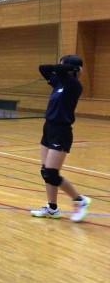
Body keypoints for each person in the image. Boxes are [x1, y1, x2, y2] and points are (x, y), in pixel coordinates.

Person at [30, 55, 91, 222]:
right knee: (45, 172)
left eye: (62, 64)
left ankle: (80, 200)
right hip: (48, 128)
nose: (58, 67)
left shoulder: (74, 85)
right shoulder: (58, 82)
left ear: (70, 68)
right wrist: (67, 67)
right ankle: (52, 209)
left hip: (61, 131)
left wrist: (73, 69)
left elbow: (58, 69)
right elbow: (43, 68)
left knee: (52, 173)